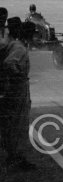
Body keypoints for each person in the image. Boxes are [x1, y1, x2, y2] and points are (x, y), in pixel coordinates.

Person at [0, 17, 36, 171]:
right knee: (19, 125)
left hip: (15, 88)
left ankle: (13, 156)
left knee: (13, 125)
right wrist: (17, 76)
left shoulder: (13, 45)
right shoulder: (19, 48)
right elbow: (9, 64)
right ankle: (15, 158)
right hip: (18, 89)